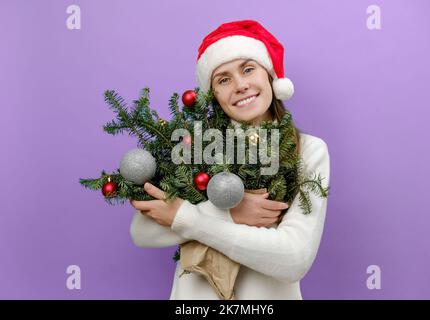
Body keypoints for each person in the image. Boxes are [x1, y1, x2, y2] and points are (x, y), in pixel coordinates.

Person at [129, 19, 330, 300]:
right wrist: (228, 212)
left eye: (248, 69)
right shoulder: (193, 145)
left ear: (270, 77)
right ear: (213, 95)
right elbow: (143, 232)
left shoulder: (307, 151)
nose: (240, 85)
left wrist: (185, 217)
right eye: (223, 79)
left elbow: (294, 258)